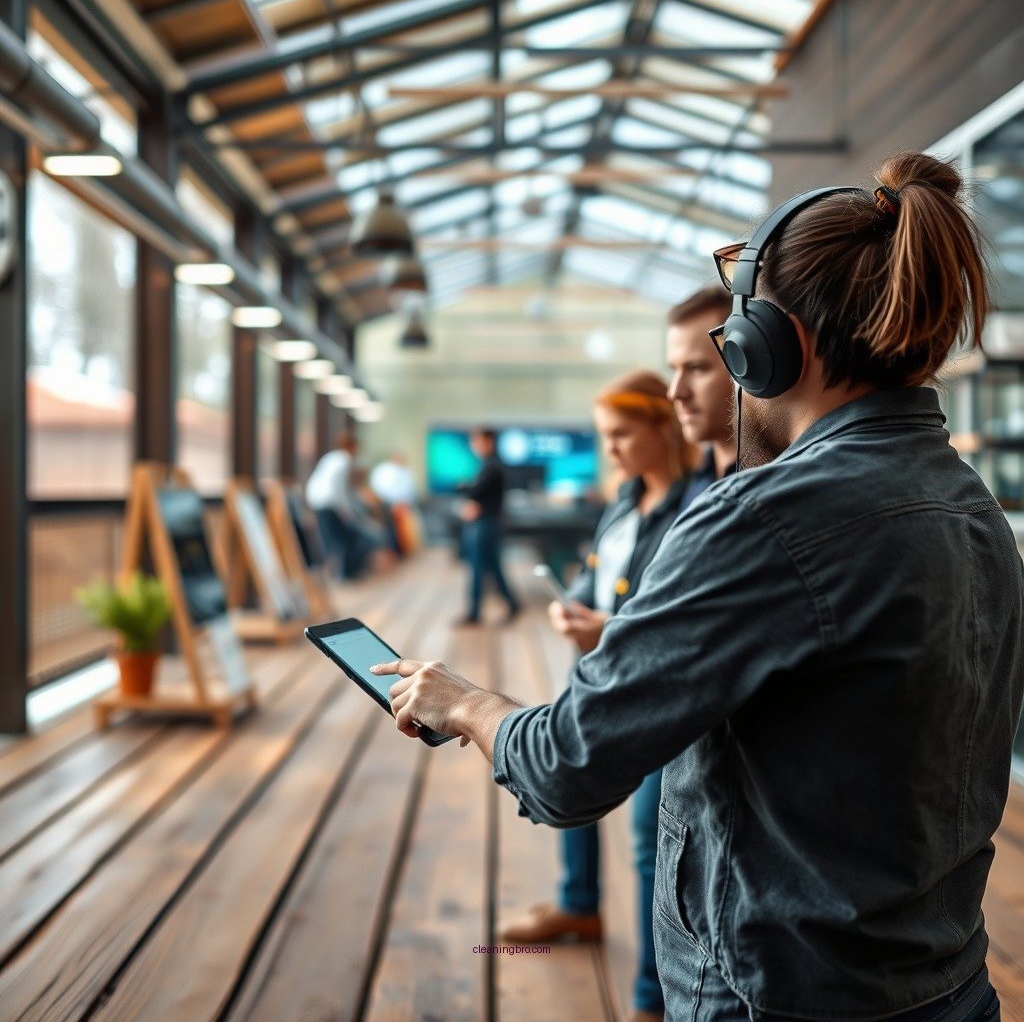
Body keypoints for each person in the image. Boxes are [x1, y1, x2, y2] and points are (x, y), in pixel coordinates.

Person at [372, 152, 1024, 1022]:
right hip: (947, 987)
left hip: (776, 995)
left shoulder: (762, 517)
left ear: (768, 344)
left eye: (733, 332)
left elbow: (565, 769)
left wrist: (465, 703)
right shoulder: (974, 507)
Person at [500, 371, 696, 1022]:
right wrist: (577, 609)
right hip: (596, 675)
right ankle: (579, 906)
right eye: (603, 436)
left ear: (662, 429)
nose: (609, 449)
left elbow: (684, 623)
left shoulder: (700, 508)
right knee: (573, 790)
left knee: (649, 838)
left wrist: (605, 628)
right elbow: (597, 578)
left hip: (654, 694)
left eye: (620, 435)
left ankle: (650, 997)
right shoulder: (626, 500)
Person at [665, 286, 738, 504]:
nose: (675, 392)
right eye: (674, 370)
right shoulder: (697, 480)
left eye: (696, 368)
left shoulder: (774, 483)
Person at [454, 427, 520, 625]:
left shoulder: (491, 466)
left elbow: (476, 491)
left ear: (488, 441)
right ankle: (512, 604)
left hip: (486, 525)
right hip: (487, 523)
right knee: (492, 567)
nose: (473, 446)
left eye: (477, 441)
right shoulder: (488, 465)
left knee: (478, 568)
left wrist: (463, 486)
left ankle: (474, 613)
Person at [305, 432, 386, 580]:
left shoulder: (331, 457)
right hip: (329, 503)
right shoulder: (345, 460)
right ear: (352, 446)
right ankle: (343, 575)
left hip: (317, 501)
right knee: (341, 541)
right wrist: (346, 512)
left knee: (331, 541)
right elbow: (339, 490)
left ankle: (337, 575)